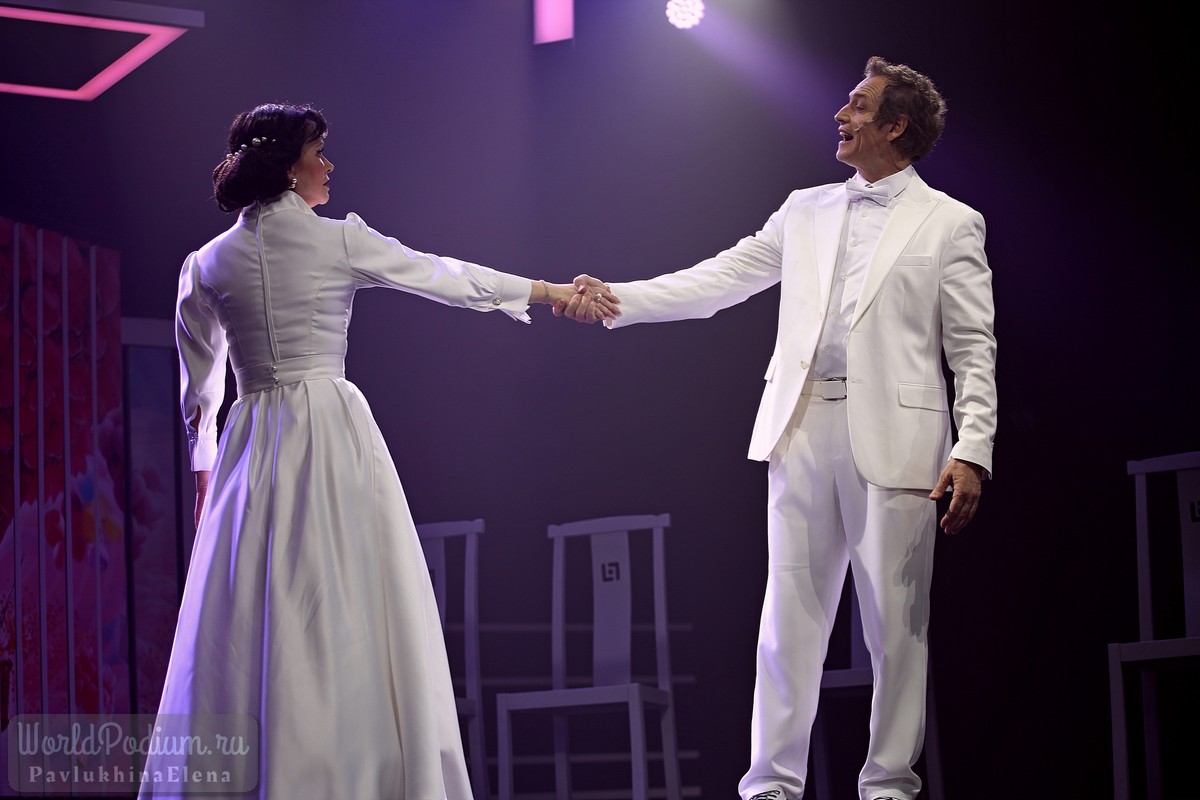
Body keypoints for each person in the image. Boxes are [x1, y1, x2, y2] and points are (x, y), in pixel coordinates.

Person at [141, 102, 619, 800]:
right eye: (318, 152)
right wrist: (548, 291)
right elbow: (446, 276)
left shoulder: (206, 263)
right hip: (328, 434)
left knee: (250, 610)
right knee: (344, 595)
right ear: (290, 167)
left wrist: (205, 478)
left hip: (251, 447)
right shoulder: (337, 241)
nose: (329, 165)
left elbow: (198, 394)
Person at [557, 57, 997, 800]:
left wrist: (973, 449)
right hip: (801, 423)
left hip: (900, 438)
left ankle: (888, 784)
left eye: (858, 106)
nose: (841, 116)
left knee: (896, 624)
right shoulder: (805, 209)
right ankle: (771, 784)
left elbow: (972, 347)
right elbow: (719, 280)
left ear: (896, 126)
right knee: (788, 617)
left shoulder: (951, 221)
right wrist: (617, 298)